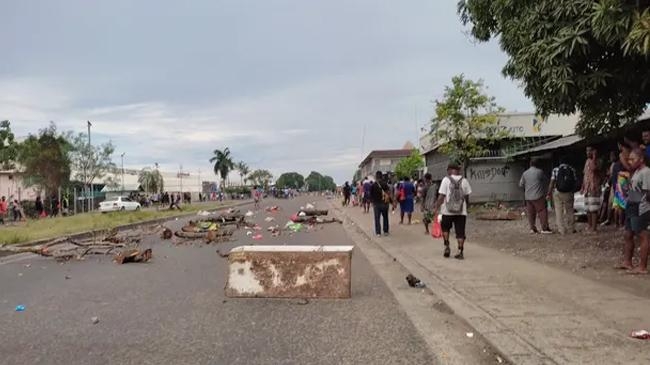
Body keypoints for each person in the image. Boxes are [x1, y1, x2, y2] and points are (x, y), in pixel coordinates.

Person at [617, 148, 650, 274]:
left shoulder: (646, 172)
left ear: (641, 159)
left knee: (643, 235)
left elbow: (647, 192)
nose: (630, 161)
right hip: (632, 204)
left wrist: (641, 203)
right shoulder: (636, 172)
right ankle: (627, 262)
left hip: (640, 206)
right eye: (629, 159)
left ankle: (642, 266)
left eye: (633, 159)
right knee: (628, 234)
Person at [434, 164, 472, 259]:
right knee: (460, 232)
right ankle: (460, 251)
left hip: (447, 211)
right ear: (458, 170)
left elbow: (441, 196)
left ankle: (447, 246)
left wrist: (436, 207)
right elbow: (467, 196)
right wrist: (465, 206)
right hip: (461, 211)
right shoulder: (464, 181)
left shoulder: (446, 180)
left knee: (445, 229)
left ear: (450, 170)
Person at [519, 158, 552, 234]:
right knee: (542, 211)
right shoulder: (539, 172)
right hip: (538, 196)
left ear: (530, 164)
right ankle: (544, 228)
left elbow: (521, 184)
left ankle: (532, 229)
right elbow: (545, 181)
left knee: (531, 213)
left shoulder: (525, 173)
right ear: (538, 164)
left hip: (528, 197)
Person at [547, 156, 578, 234]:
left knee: (558, 211)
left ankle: (562, 230)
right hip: (569, 193)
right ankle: (571, 229)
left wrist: (549, 193)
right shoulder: (572, 170)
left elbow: (552, 182)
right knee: (570, 210)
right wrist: (572, 191)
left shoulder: (555, 170)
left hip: (558, 193)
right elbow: (575, 182)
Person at [582, 146, 602, 233]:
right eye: (587, 151)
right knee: (588, 208)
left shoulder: (597, 161)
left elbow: (594, 169)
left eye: (590, 151)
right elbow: (585, 174)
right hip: (587, 188)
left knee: (593, 209)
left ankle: (594, 228)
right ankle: (589, 226)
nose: (588, 152)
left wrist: (594, 157)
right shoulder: (587, 161)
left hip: (594, 187)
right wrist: (583, 186)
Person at [612, 142, 632, 228]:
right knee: (622, 205)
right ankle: (621, 223)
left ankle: (617, 224)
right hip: (623, 181)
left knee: (617, 205)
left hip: (618, 183)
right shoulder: (625, 157)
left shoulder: (616, 164)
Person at [370, 171, 391, 236]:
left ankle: (378, 232)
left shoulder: (373, 185)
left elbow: (371, 195)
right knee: (385, 217)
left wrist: (372, 202)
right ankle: (386, 231)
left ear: (376, 176)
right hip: (385, 203)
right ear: (382, 176)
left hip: (376, 204)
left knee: (377, 218)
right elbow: (388, 193)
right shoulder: (385, 184)